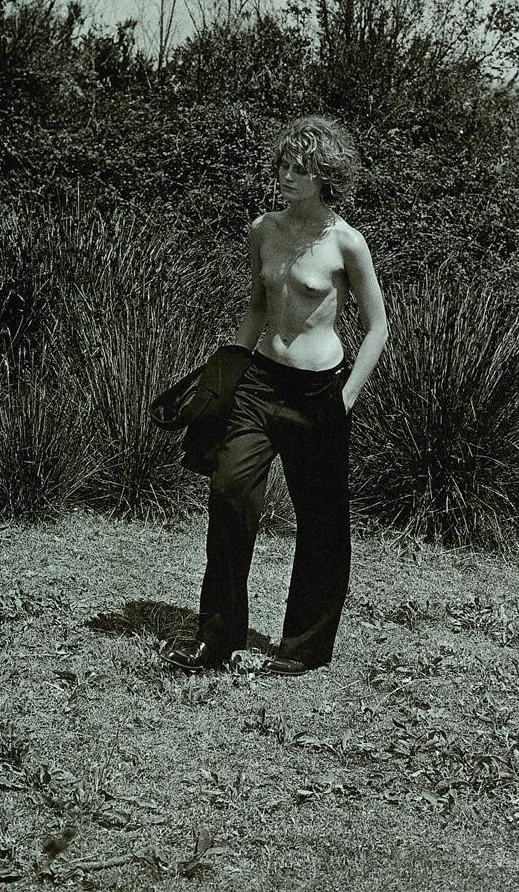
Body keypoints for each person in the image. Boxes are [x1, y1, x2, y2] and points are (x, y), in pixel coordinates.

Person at [163, 115, 388, 676]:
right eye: (282, 166)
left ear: (325, 176)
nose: (285, 176)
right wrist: (225, 375)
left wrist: (344, 399)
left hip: (319, 391)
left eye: (299, 169)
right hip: (260, 382)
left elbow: (378, 327)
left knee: (321, 521)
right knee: (229, 491)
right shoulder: (262, 229)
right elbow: (257, 307)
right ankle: (216, 638)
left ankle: (303, 648)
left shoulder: (347, 242)